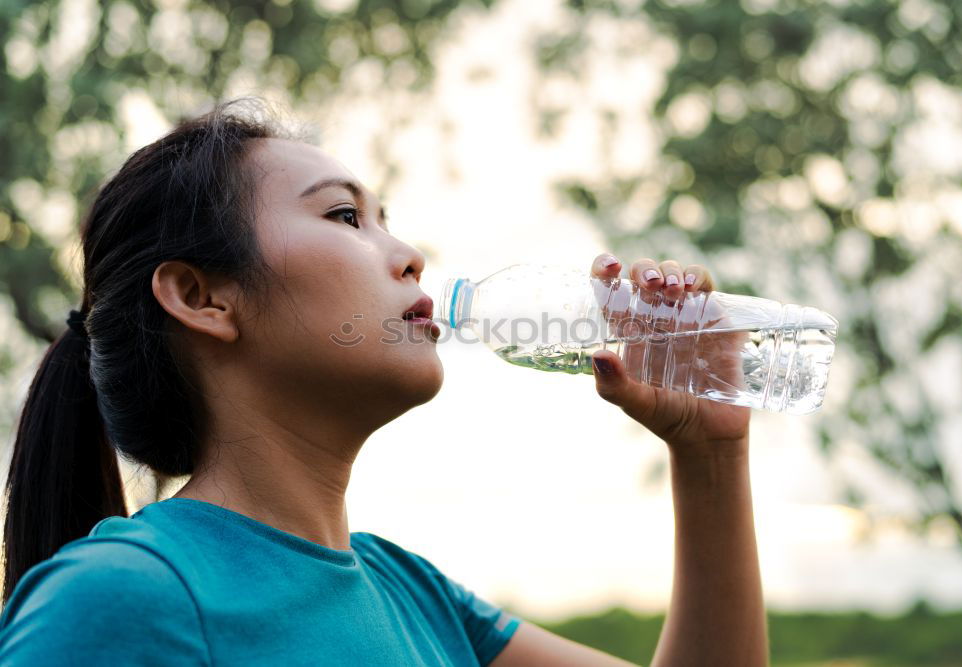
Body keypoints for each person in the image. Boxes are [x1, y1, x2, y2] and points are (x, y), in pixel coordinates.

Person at [0, 99, 766, 666]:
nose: (407, 254)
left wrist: (709, 454)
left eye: (385, 219)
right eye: (343, 216)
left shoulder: (414, 595)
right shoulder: (124, 600)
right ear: (204, 298)